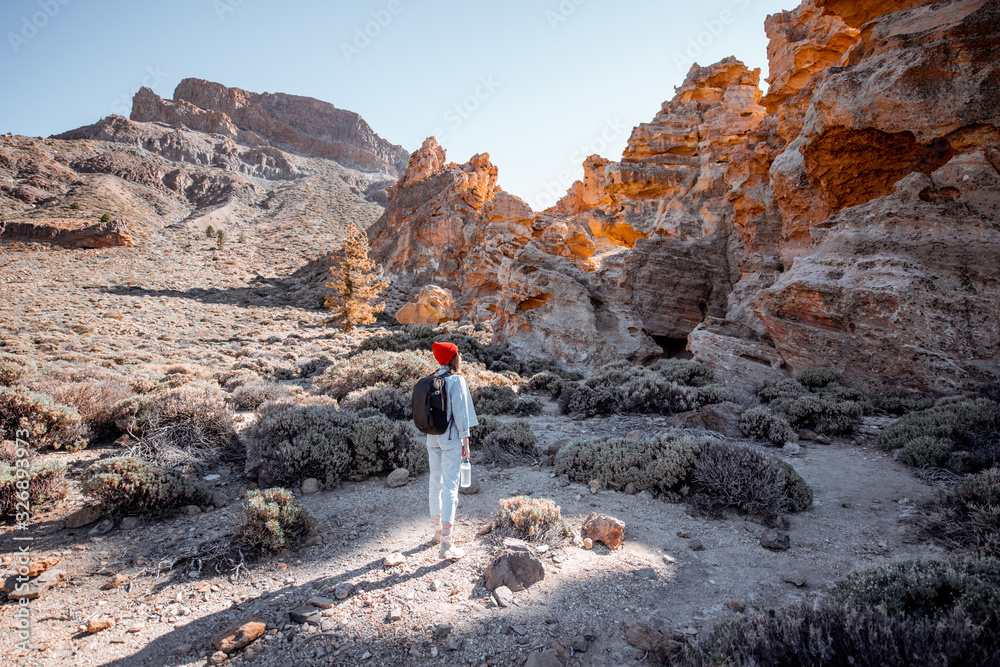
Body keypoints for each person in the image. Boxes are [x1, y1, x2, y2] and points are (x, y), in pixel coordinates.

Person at [426, 341, 478, 560]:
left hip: (432, 437)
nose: (461, 356)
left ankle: (438, 531)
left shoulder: (431, 378)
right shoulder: (456, 380)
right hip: (450, 438)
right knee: (450, 488)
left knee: (434, 482)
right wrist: (465, 442)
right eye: (458, 353)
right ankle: (447, 545)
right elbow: (461, 414)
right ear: (453, 357)